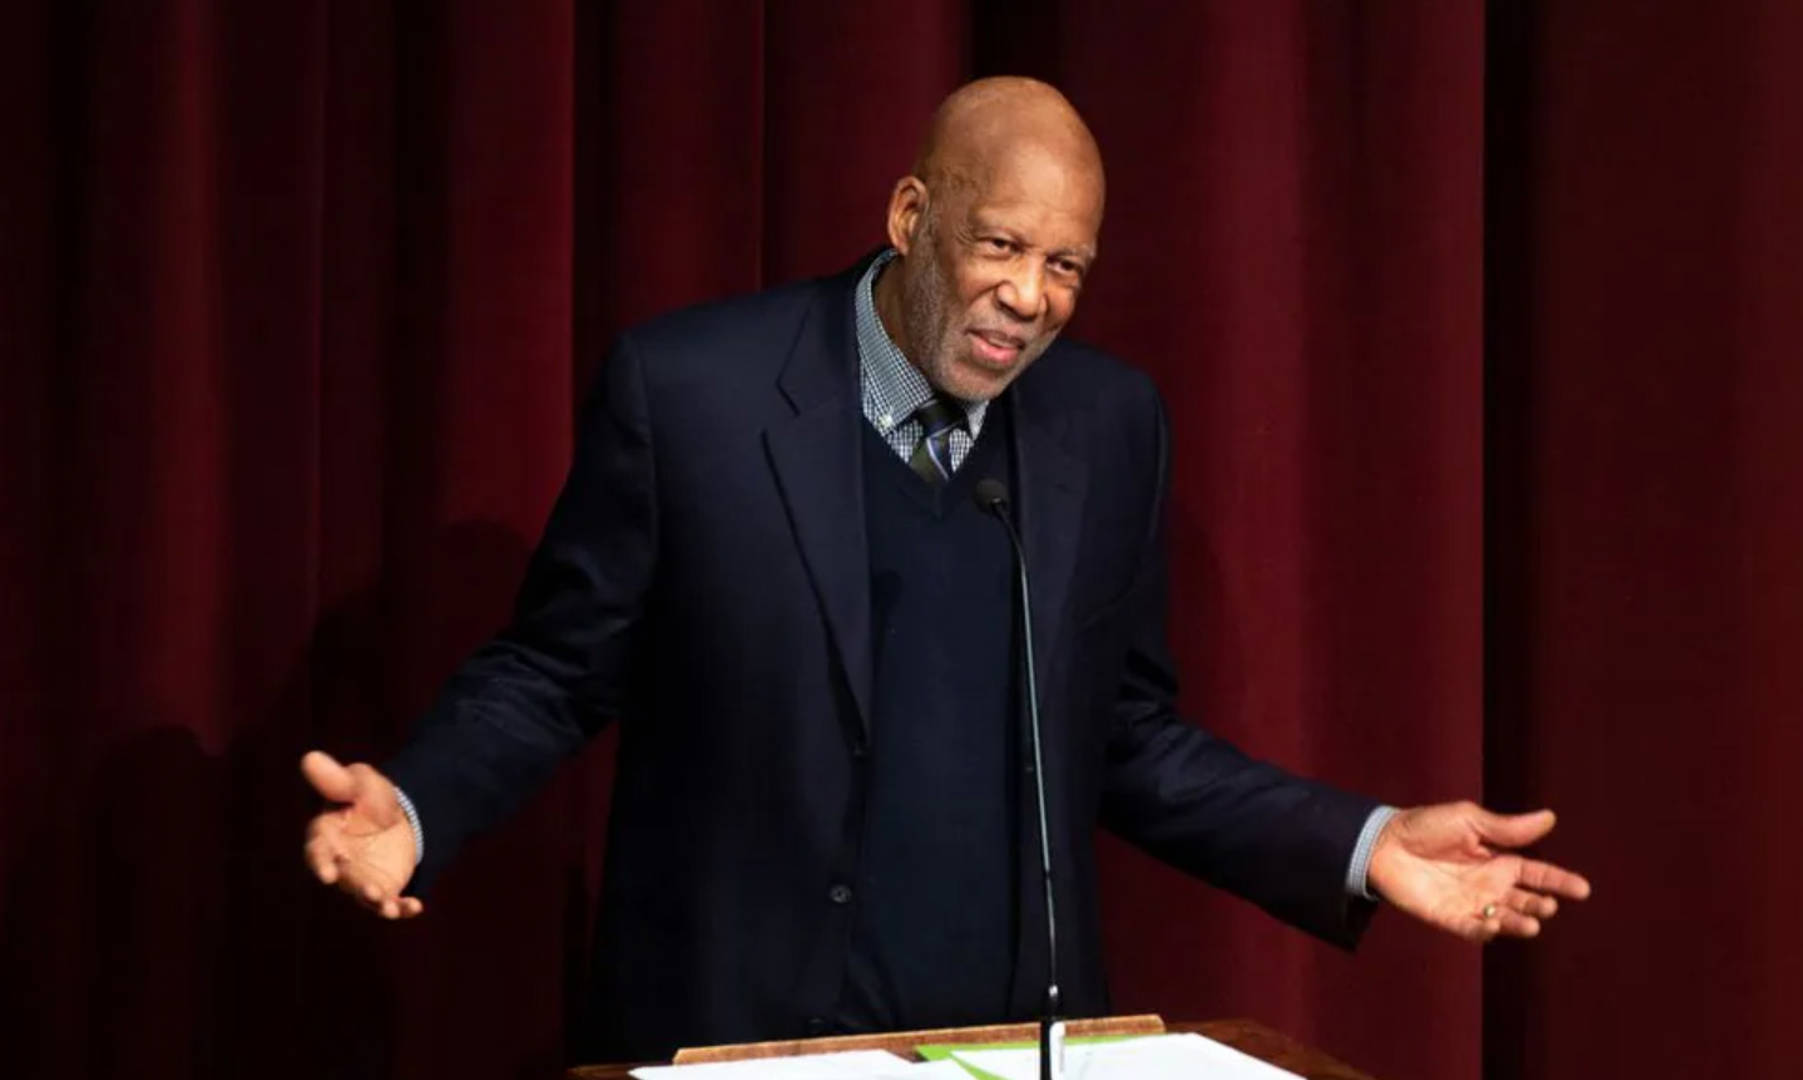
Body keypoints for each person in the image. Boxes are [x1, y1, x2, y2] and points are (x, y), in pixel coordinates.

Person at [301, 77, 1590, 1061]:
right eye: (1001, 246)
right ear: (913, 216)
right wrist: (413, 810)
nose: (1029, 297)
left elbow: (1129, 739)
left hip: (1009, 1046)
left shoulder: (1108, 425)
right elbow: (552, 671)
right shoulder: (690, 393)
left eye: (1067, 265)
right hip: (745, 1038)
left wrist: (1366, 844)